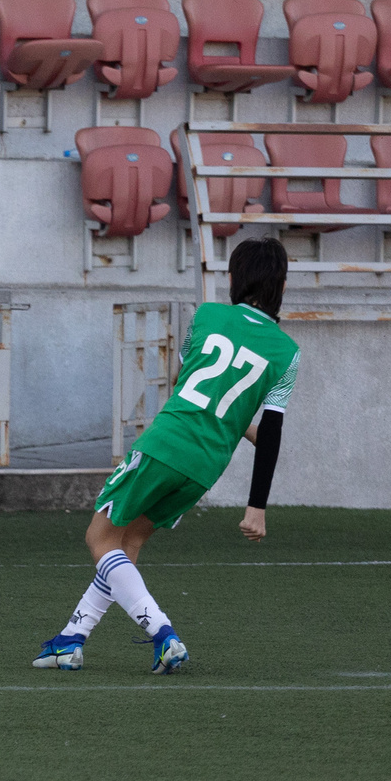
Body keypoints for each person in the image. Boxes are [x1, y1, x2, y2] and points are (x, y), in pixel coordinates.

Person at [37, 238, 298, 675]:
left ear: (234, 279)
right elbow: (268, 432)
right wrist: (257, 508)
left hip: (166, 444)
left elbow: (186, 382)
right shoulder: (287, 352)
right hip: (205, 466)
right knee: (129, 542)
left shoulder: (208, 316)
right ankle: (70, 639)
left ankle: (164, 635)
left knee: (99, 539)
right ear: (282, 285)